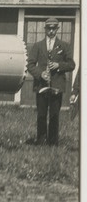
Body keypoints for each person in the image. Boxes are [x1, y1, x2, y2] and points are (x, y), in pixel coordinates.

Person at [26, 17, 75, 145]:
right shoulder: (38, 45)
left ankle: (53, 142)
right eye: (49, 28)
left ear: (57, 29)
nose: (51, 31)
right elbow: (30, 64)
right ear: (45, 29)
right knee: (41, 114)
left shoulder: (64, 46)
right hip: (41, 85)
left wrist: (59, 66)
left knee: (54, 115)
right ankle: (41, 140)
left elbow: (72, 64)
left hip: (57, 86)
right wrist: (40, 73)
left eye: (54, 28)